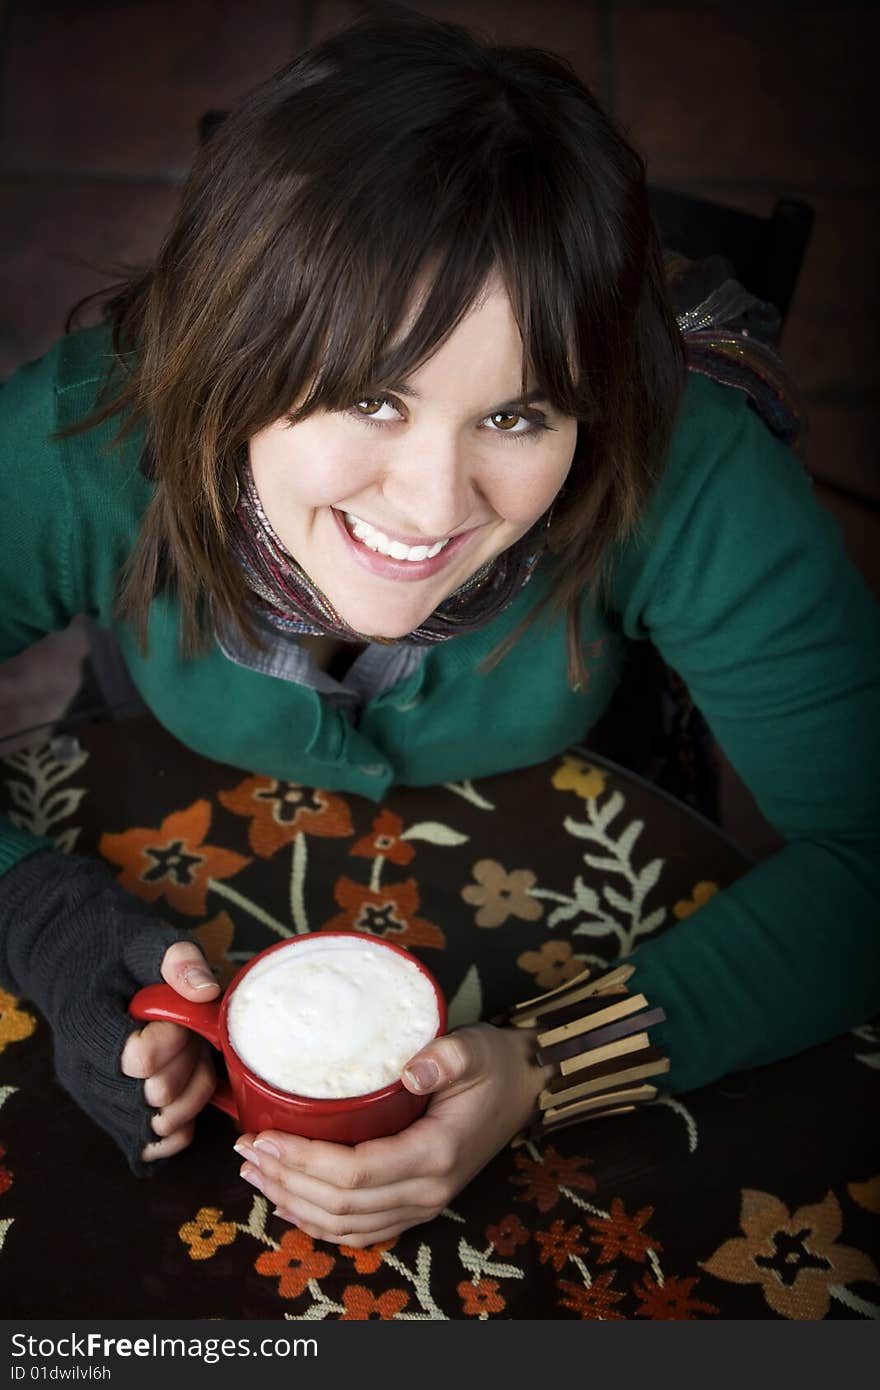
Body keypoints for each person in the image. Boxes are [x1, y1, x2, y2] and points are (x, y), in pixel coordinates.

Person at [1, 13, 878, 1250]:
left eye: (518, 414)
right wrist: (42, 914)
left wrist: (550, 1065)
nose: (432, 506)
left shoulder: (687, 467)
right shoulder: (86, 436)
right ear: (232, 344)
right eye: (370, 393)